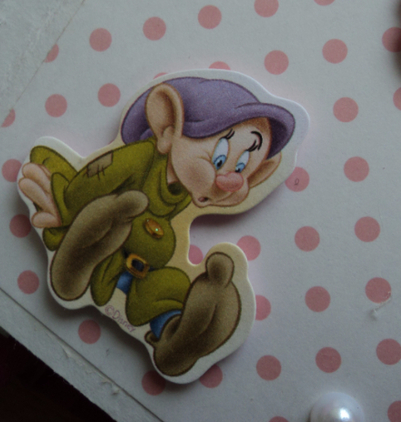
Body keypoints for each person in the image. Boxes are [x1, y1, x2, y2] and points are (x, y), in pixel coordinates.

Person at [18, 76, 296, 377]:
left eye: (241, 168)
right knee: (105, 218)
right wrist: (77, 208)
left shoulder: (183, 193)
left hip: (137, 269)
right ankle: (75, 262)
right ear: (168, 128)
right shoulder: (139, 157)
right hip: (97, 239)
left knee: (172, 284)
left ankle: (178, 334)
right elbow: (88, 185)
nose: (228, 178)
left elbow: (164, 234)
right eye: (220, 158)